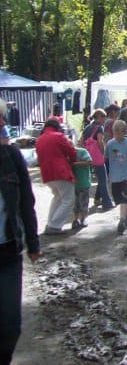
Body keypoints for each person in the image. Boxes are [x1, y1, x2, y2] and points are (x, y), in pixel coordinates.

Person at [0, 99, 41, 365]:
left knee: (10, 327)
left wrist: (33, 243)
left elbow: (26, 200)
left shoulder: (12, 157)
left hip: (7, 253)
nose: (3, 124)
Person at [35, 118, 77, 235]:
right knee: (68, 199)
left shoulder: (39, 139)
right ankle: (54, 225)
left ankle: (51, 223)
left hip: (47, 173)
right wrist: (72, 160)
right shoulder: (58, 136)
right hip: (61, 171)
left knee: (58, 197)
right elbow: (72, 151)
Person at [105, 120, 127, 235]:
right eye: (116, 132)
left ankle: (122, 220)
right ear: (113, 132)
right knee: (119, 199)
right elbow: (106, 157)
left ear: (125, 132)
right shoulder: (110, 144)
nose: (118, 135)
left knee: (124, 196)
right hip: (114, 177)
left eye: (121, 132)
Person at [82, 109, 113, 210]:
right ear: (99, 117)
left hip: (87, 156)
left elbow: (81, 141)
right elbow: (100, 141)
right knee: (103, 179)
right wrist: (103, 152)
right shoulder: (99, 128)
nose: (105, 119)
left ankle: (97, 198)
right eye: (103, 117)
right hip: (97, 157)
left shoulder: (87, 127)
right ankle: (107, 203)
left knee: (99, 178)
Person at [71, 147, 93, 229]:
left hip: (84, 182)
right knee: (75, 203)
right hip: (73, 184)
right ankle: (75, 220)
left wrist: (74, 163)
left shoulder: (82, 151)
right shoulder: (65, 153)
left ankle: (83, 219)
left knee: (83, 202)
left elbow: (89, 162)